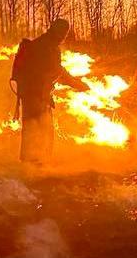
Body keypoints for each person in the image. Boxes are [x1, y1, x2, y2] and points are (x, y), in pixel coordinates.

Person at [10, 18, 86, 164]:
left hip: (35, 95)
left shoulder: (43, 44)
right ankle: (36, 166)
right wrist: (77, 85)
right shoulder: (47, 47)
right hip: (36, 97)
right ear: (57, 30)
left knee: (33, 131)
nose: (64, 36)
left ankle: (32, 165)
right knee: (40, 133)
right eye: (64, 32)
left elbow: (55, 72)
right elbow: (57, 72)